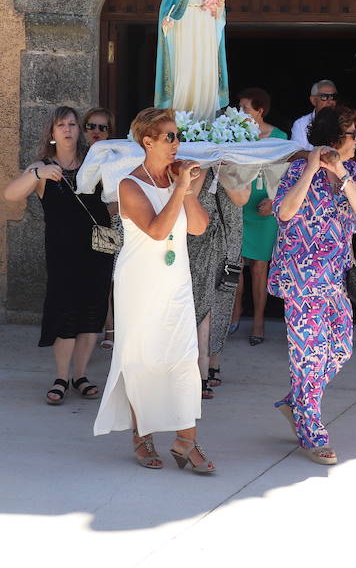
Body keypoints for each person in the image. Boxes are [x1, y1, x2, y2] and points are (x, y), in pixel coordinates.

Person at [93, 107, 215, 473]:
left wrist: (187, 188)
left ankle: (185, 440)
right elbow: (158, 231)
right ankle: (141, 437)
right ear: (147, 141)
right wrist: (179, 187)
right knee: (142, 359)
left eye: (178, 136)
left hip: (175, 280)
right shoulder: (130, 184)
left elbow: (197, 227)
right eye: (170, 137)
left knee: (183, 360)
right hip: (140, 283)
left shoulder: (176, 181)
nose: (177, 144)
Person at [271, 105, 356, 465]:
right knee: (308, 356)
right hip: (301, 279)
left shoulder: (352, 171)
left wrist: (341, 174)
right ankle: (312, 431)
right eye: (351, 135)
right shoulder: (299, 169)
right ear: (335, 138)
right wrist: (312, 168)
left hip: (336, 278)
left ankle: (295, 402)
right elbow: (284, 212)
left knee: (341, 349)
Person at [4, 106, 113, 405]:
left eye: (72, 124)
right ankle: (61, 377)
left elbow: (114, 202)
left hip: (98, 248)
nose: (67, 129)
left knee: (93, 312)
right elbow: (10, 194)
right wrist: (38, 173)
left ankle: (81, 375)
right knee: (66, 311)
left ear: (79, 131)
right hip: (63, 252)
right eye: (61, 125)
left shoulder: (94, 163)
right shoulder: (42, 167)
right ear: (51, 134)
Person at [187, 170, 248, 397]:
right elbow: (189, 193)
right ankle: (199, 368)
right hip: (196, 233)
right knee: (199, 297)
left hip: (229, 233)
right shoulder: (194, 158)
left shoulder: (234, 160)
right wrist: (204, 164)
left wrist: (222, 166)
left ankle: (213, 361)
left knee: (222, 296)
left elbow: (241, 198)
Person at [154, 0, 228, 120]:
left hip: (205, 25)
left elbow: (216, 0)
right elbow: (167, 6)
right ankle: (182, 117)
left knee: (205, 67)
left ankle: (205, 117)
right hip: (184, 26)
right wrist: (168, 18)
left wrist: (219, 4)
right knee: (186, 66)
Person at [236, 86, 288, 346]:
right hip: (240, 204)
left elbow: (287, 176)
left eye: (246, 108)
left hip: (265, 206)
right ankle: (235, 312)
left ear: (260, 110)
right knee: (235, 264)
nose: (241, 112)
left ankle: (258, 321)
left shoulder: (279, 137)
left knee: (259, 267)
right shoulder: (235, 134)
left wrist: (275, 202)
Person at [81, 107, 118, 351]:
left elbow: (114, 200)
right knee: (84, 279)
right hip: (79, 224)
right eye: (91, 126)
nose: (96, 131)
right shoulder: (76, 156)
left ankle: (111, 328)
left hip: (105, 224)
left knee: (108, 279)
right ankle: (86, 329)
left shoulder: (114, 157)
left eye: (102, 127)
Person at [290, 79, 337, 149]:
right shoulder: (301, 124)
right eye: (324, 97)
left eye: (333, 97)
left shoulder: (344, 121)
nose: (330, 101)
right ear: (313, 100)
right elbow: (297, 153)